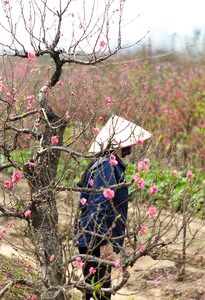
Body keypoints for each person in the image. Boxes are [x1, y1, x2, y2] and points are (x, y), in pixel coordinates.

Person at [75, 115, 151, 300]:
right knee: (98, 293)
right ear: (120, 143)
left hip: (92, 238)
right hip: (96, 240)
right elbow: (99, 207)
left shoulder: (107, 165)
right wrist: (104, 243)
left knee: (95, 292)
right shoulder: (107, 167)